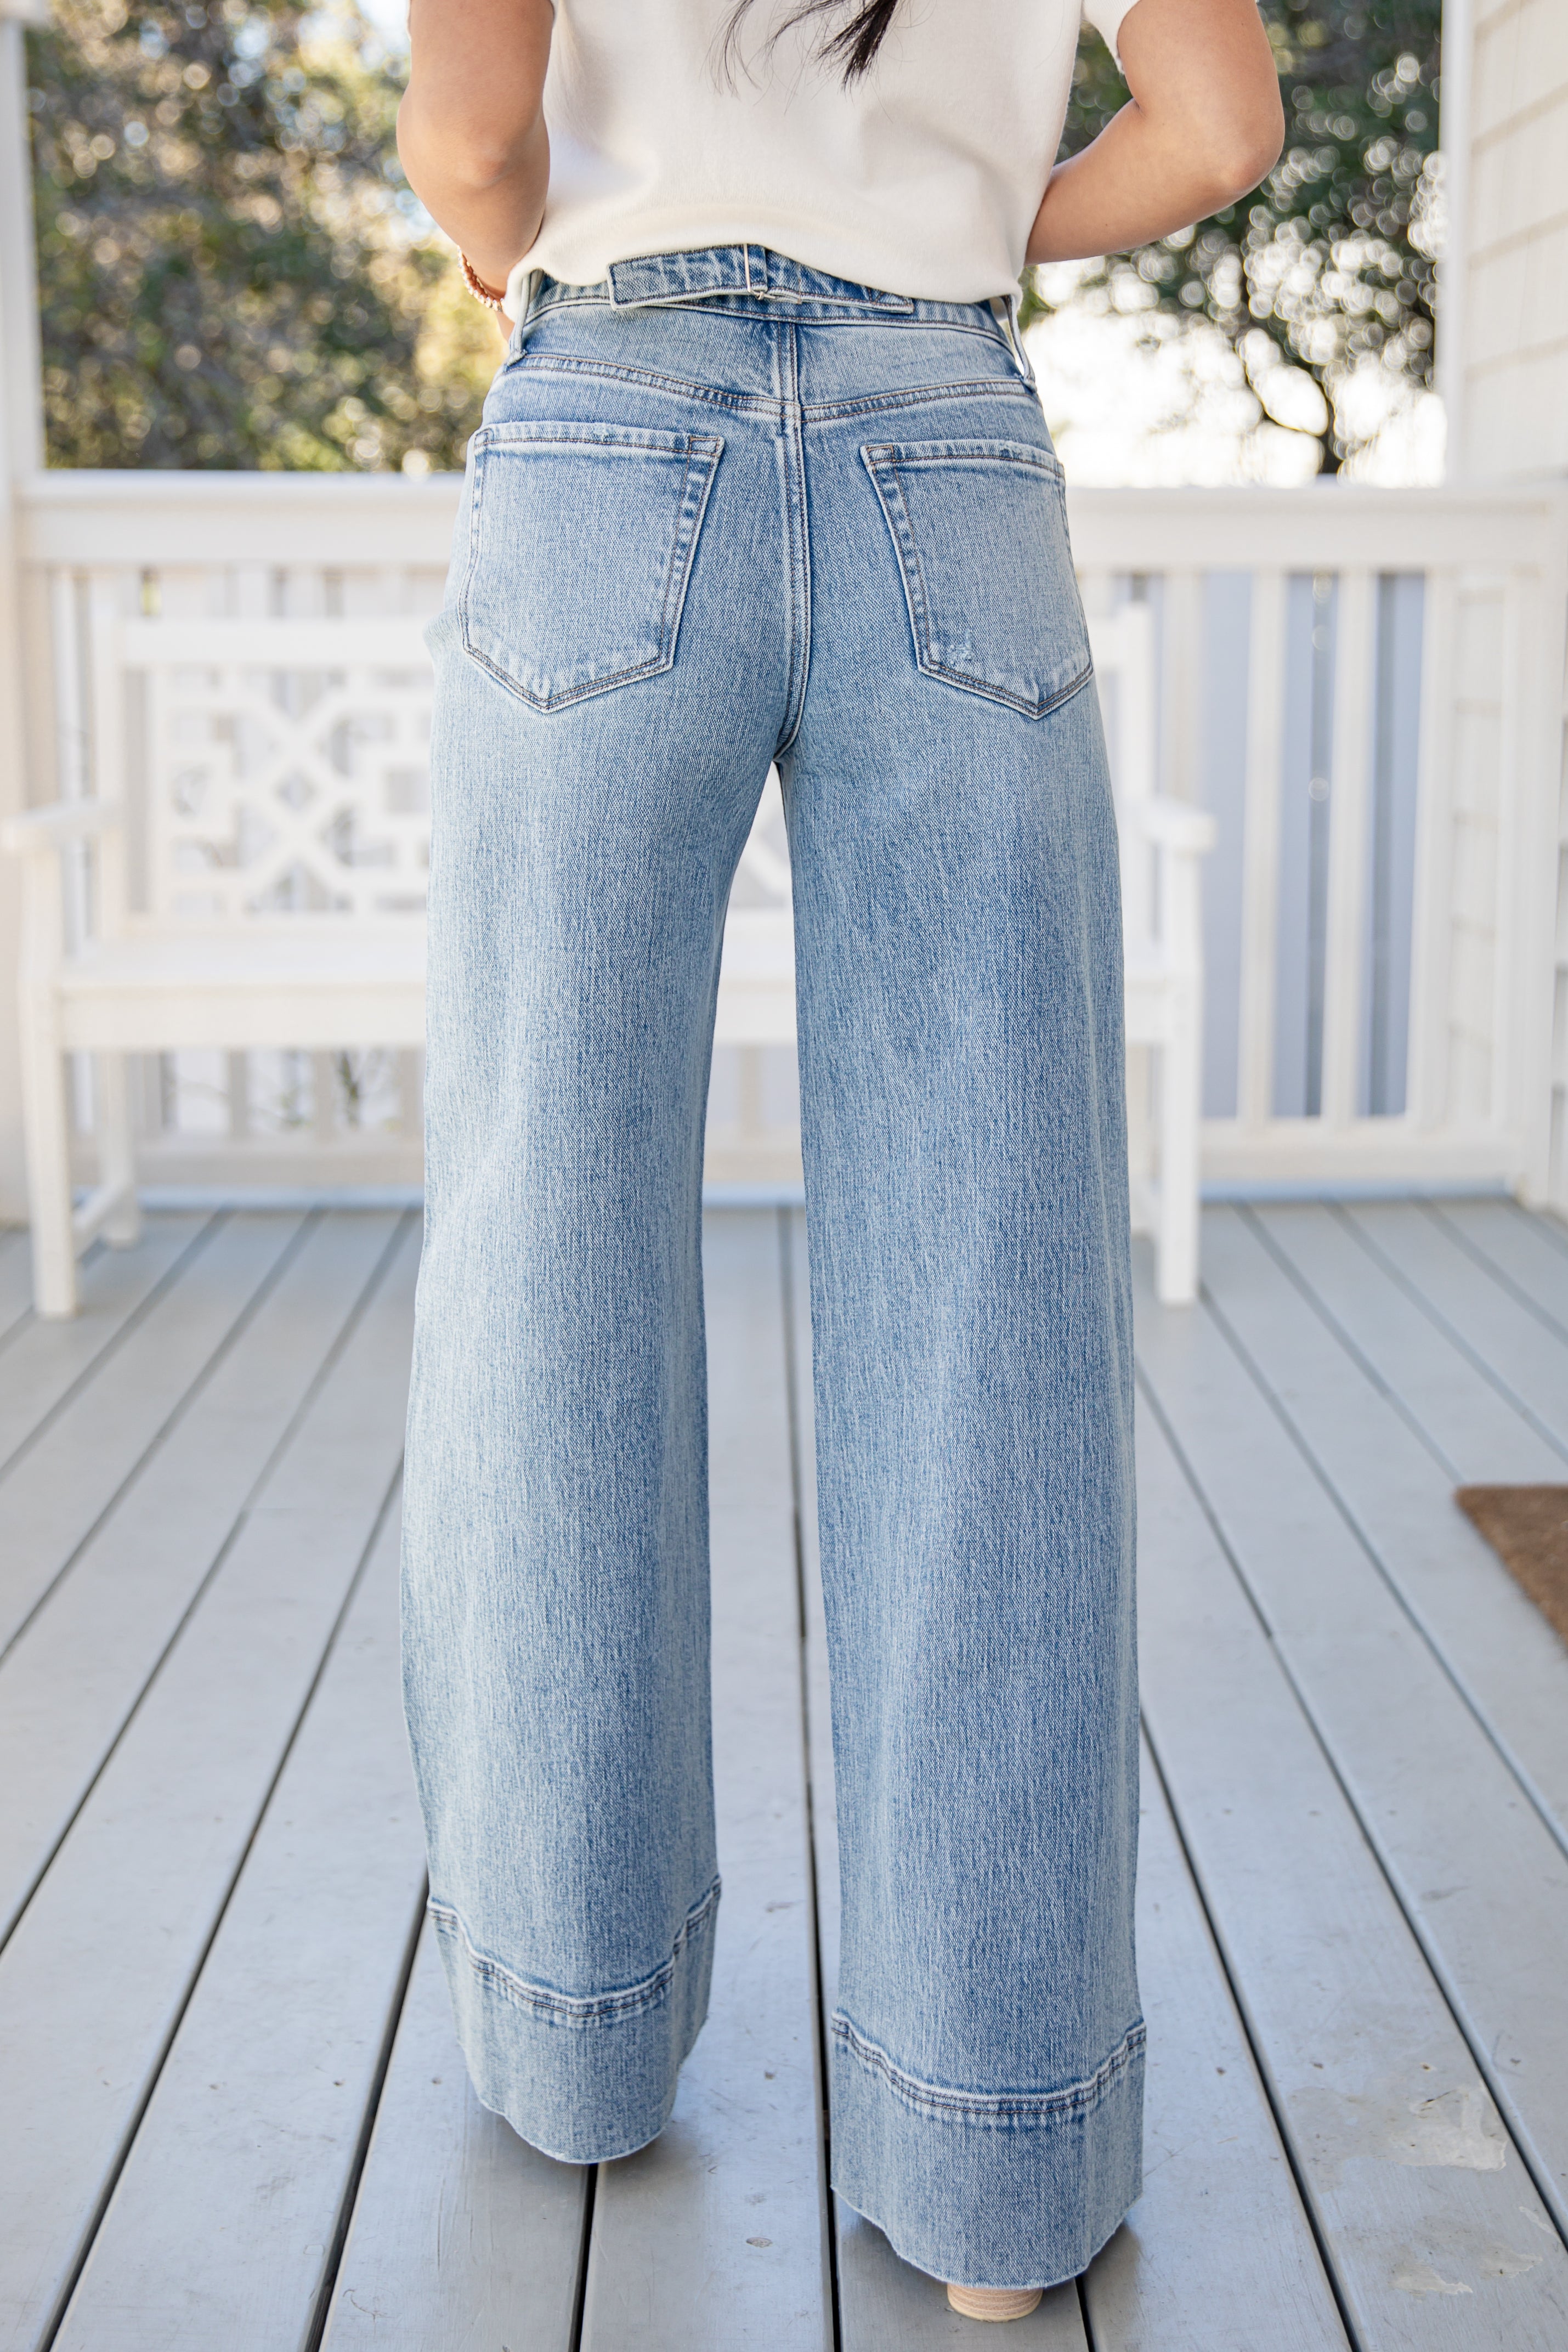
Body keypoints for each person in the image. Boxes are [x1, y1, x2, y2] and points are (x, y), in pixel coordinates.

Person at [395, 0, 1282, 2321]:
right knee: (995, 1308)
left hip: (607, 431)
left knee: (544, 1270)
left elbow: (472, 134)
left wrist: (506, 246)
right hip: (944, 450)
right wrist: (964, 214)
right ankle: (998, 2165)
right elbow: (1216, 128)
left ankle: (576, 2047)